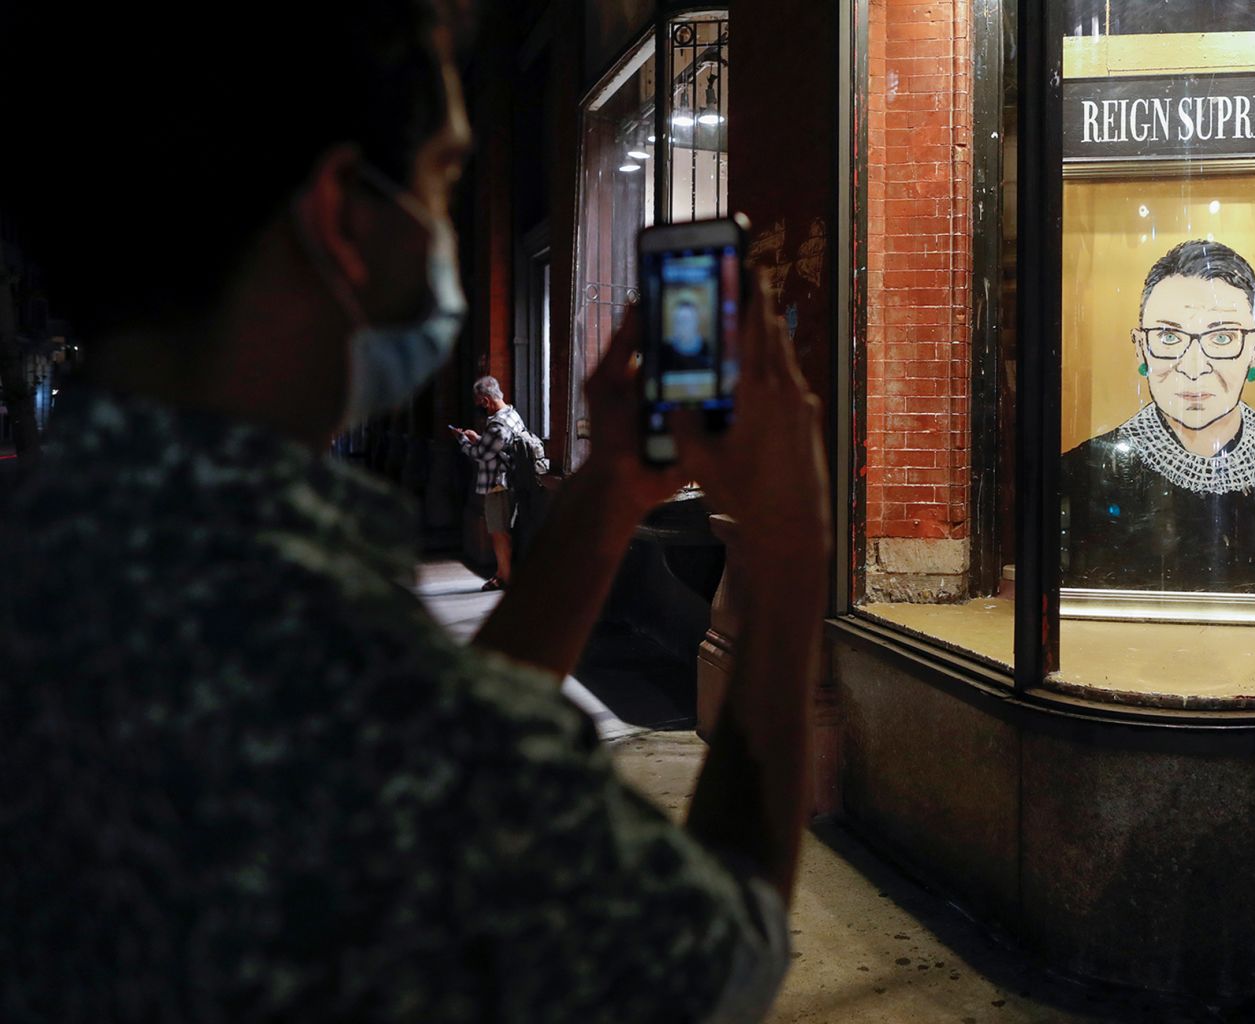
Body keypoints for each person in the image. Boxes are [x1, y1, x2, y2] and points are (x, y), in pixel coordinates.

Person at [0, 4, 830, 1023]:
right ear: (345, 220)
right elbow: (720, 957)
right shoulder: (332, 667)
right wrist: (788, 557)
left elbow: (466, 749)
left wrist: (612, 488)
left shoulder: (69, 556)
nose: (443, 228)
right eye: (439, 180)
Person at [1062, 239, 1255, 592]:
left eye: (1223, 338)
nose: (1194, 368)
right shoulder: (1084, 471)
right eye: (1168, 336)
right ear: (1141, 348)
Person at [454, 374, 545, 591]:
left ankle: (504, 577)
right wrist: (480, 438)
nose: (481, 408)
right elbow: (497, 446)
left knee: (498, 531)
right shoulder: (512, 415)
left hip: (498, 484)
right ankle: (505, 573)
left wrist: (463, 440)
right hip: (512, 480)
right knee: (504, 530)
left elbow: (480, 454)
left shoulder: (496, 425)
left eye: (480, 404)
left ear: (486, 400)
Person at [662, 297, 713, 371]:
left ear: (696, 322)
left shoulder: (709, 349)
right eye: (678, 321)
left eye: (686, 321)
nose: (682, 326)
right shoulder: (664, 352)